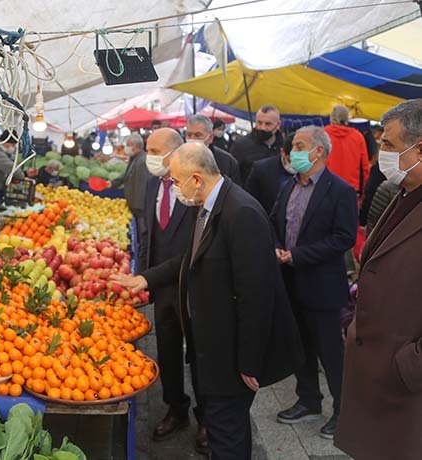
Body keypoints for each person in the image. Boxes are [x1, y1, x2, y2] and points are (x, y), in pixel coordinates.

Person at [114, 142, 301, 459]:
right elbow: (189, 259)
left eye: (175, 181)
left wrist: (250, 362)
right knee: (222, 428)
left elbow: (257, 294)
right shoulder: (210, 206)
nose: (173, 188)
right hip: (211, 346)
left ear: (197, 179)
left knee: (227, 432)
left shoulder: (241, 213)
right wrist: (145, 278)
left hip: (231, 356)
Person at [335, 100, 422, 460]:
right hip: (378, 371)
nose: (379, 154)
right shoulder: (402, 192)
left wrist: (410, 366)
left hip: (405, 384)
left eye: (388, 145)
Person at [270, 126, 358, 440]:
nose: (292, 151)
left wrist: (298, 255)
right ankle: (308, 399)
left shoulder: (340, 191)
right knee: (300, 348)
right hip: (291, 283)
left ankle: (343, 411)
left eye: (298, 145)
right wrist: (277, 247)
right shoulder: (288, 186)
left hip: (321, 286)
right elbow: (275, 221)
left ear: (317, 151)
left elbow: (344, 238)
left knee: (331, 353)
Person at [136, 128, 208, 452]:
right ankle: (175, 407)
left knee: (200, 353)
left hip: (193, 286)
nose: (147, 155)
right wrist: (143, 278)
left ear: (173, 153)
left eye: (153, 149)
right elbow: (148, 234)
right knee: (166, 350)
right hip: (161, 287)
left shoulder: (194, 185)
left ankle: (207, 418)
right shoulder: (152, 183)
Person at [107, 133, 151, 244]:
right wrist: (112, 183)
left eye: (128, 145)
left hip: (140, 209)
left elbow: (142, 187)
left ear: (136, 147)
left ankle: (143, 255)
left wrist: (138, 208)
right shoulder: (134, 158)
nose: (126, 147)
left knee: (143, 235)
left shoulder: (142, 161)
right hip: (135, 207)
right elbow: (126, 175)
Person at [324, 105, 371, 196]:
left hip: (327, 189)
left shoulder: (322, 135)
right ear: (347, 119)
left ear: (331, 118)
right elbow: (364, 167)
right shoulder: (358, 137)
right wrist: (362, 192)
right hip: (352, 190)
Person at [244, 133, 296, 215]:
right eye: (291, 160)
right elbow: (249, 201)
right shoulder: (261, 169)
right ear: (282, 152)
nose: (295, 165)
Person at [230, 105, 283, 183]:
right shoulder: (240, 146)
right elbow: (231, 176)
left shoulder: (284, 146)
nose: (262, 127)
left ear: (278, 124)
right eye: (259, 122)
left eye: (268, 124)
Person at [185, 114, 241, 184]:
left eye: (198, 135)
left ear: (210, 137)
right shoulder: (178, 158)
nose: (192, 138)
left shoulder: (228, 162)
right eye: (189, 135)